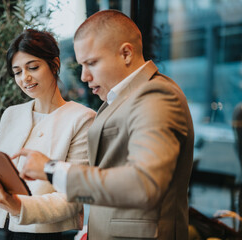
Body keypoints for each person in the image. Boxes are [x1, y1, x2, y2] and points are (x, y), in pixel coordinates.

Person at [15, 10, 194, 240]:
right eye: (81, 65)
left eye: (91, 63)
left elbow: (143, 184)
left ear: (126, 54)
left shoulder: (156, 94)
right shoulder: (120, 100)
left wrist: (52, 170)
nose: (84, 76)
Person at [0, 29, 96, 240]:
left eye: (33, 67)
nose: (25, 78)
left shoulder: (82, 119)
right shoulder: (11, 114)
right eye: (17, 72)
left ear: (54, 64)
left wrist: (19, 207)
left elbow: (73, 196)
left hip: (40, 233)